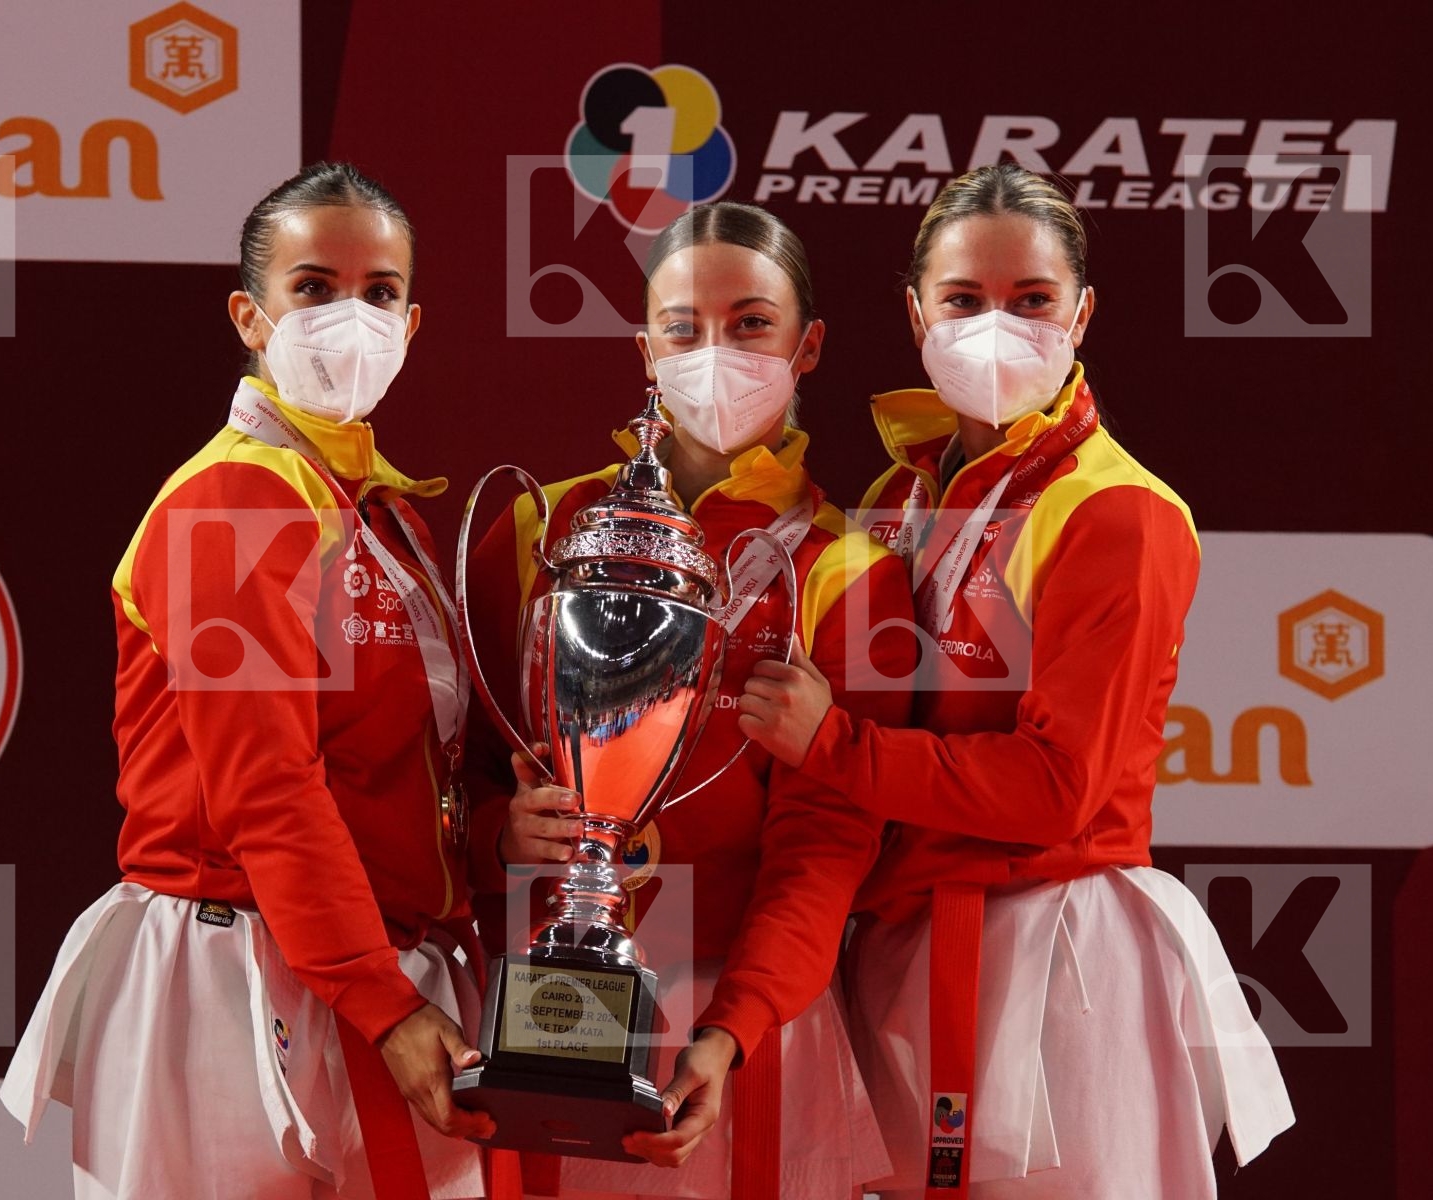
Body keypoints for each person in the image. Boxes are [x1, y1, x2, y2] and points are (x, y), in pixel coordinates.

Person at [734, 163, 1295, 1198]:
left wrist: (834, 749)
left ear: (1083, 312)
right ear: (915, 315)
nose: (998, 327)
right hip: (904, 954)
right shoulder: (903, 501)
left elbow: (1056, 789)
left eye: (1032, 301)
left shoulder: (1117, 513)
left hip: (1060, 962)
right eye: (964, 301)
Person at [1, 163, 495, 1200]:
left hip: (358, 962)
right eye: (313, 288)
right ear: (250, 315)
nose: (349, 317)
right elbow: (264, 786)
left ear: (413, 322)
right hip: (225, 976)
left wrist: (499, 838)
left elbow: (395, 782)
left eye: (380, 292)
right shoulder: (236, 499)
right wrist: (386, 1004)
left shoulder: (380, 516)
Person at [462, 201, 916, 1199]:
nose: (717, 352)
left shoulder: (845, 572)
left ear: (810, 345)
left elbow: (824, 846)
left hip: (739, 1022)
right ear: (644, 346)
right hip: (544, 1010)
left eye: (752, 323)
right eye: (684, 327)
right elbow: (461, 779)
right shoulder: (543, 529)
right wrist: (501, 832)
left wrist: (731, 1031)